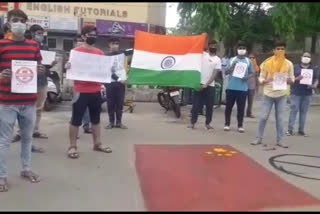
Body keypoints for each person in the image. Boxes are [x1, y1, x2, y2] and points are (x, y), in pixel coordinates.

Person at [0, 9, 45, 192]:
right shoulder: (1, 45)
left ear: (25, 24)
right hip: (7, 102)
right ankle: (2, 176)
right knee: (4, 141)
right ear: (9, 23)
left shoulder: (34, 46)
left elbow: (39, 66)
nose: (18, 23)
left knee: (27, 139)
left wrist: (41, 70)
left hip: (29, 102)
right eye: (15, 20)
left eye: (22, 20)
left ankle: (26, 170)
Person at [65, 25, 112, 159]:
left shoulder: (100, 53)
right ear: (83, 36)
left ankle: (97, 144)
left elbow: (104, 70)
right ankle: (72, 146)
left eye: (95, 34)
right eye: (90, 34)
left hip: (96, 90)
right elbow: (69, 68)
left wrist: (110, 69)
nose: (93, 37)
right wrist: (67, 66)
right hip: (80, 91)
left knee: (96, 120)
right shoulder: (76, 52)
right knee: (76, 120)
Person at [12, 25, 57, 152]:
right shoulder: (26, 46)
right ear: (31, 33)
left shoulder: (45, 48)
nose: (41, 36)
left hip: (41, 81)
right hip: (27, 82)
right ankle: (20, 133)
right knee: (25, 109)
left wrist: (50, 65)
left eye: (42, 34)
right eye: (38, 33)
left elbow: (45, 67)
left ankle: (35, 130)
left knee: (38, 108)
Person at [251, 40, 295, 150]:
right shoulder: (267, 63)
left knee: (280, 119)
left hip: (281, 95)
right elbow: (260, 78)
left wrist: (289, 80)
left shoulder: (289, 64)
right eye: (278, 48)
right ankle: (258, 138)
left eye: (282, 49)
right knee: (263, 117)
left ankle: (280, 140)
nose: (280, 50)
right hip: (268, 94)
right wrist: (266, 80)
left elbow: (292, 79)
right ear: (273, 50)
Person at [188, 40, 222, 130]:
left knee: (209, 106)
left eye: (214, 45)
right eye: (211, 45)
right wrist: (204, 37)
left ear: (216, 47)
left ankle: (207, 123)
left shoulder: (218, 60)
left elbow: (215, 74)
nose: (213, 47)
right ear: (208, 46)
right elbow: (198, 45)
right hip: (199, 84)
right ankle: (192, 122)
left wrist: (207, 84)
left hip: (210, 86)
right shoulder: (203, 55)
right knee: (195, 105)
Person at [224, 41, 254, 133]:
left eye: (243, 48)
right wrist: (232, 66)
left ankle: (240, 125)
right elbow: (226, 72)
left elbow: (252, 73)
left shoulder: (248, 61)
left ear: (246, 50)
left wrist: (247, 77)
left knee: (241, 108)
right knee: (228, 107)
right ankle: (227, 124)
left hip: (243, 88)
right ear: (237, 50)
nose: (241, 50)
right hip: (231, 87)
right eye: (240, 48)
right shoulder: (232, 60)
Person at [286, 52, 319, 137]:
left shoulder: (313, 68)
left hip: (307, 93)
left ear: (310, 59)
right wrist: (297, 78)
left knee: (303, 112)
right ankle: (290, 130)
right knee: (294, 111)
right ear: (301, 57)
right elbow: (289, 80)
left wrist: (314, 85)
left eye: (308, 57)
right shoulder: (295, 67)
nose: (306, 58)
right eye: (305, 56)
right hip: (296, 93)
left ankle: (301, 130)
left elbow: (316, 79)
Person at [105, 37, 128, 130]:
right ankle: (111, 122)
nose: (115, 45)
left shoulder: (123, 53)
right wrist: (119, 79)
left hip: (121, 84)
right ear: (109, 44)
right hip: (110, 83)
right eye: (113, 43)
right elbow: (107, 71)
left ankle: (119, 122)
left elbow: (135, 51)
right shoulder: (106, 56)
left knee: (119, 103)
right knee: (110, 104)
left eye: (117, 43)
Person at [246, 53, 260, 118]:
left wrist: (257, 88)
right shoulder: (245, 66)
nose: (251, 59)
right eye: (250, 58)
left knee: (250, 101)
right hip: (244, 86)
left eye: (253, 57)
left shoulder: (256, 67)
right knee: (242, 100)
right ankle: (240, 112)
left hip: (252, 86)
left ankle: (249, 113)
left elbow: (257, 78)